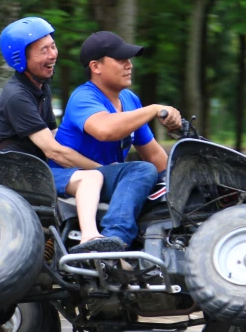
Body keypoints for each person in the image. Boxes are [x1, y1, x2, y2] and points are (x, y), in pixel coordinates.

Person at [0, 17, 114, 253]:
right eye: (43, 50)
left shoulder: (41, 86)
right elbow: (53, 150)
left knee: (92, 174)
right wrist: (102, 169)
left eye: (53, 46)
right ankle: (89, 237)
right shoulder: (18, 96)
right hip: (17, 173)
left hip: (34, 168)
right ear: (21, 59)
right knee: (92, 179)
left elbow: (54, 134)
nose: (53, 54)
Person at [52, 31, 183, 249]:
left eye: (129, 59)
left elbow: (156, 158)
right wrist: (153, 109)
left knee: (158, 178)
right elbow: (105, 130)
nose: (129, 65)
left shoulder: (130, 100)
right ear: (96, 67)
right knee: (140, 170)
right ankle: (115, 241)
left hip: (105, 177)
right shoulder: (83, 97)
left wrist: (184, 178)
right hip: (68, 177)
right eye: (121, 60)